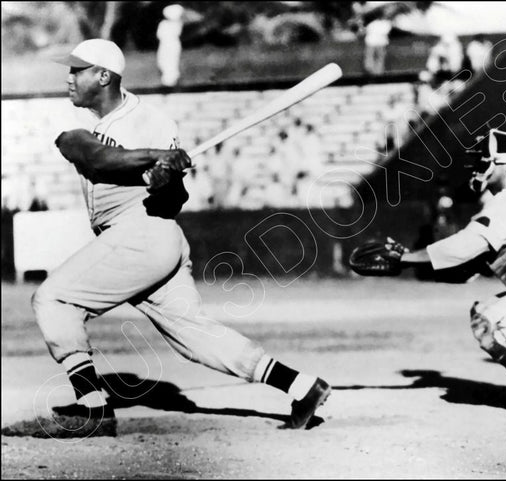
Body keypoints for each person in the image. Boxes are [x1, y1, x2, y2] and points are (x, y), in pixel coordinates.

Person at [2, 39, 330, 438]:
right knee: (193, 335)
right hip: (145, 241)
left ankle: (93, 409)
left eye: (77, 70)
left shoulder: (149, 119)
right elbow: (94, 157)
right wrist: (153, 158)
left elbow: (173, 197)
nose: (69, 78)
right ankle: (300, 386)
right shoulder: (86, 133)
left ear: (103, 76)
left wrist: (166, 179)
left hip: (142, 233)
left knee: (53, 299)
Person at [350, 129, 506, 417]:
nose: (479, 166)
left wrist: (404, 258)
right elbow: (466, 268)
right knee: (485, 312)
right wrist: (408, 265)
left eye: (486, 159)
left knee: (491, 323)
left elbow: (462, 248)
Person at [156, 4, 184, 87]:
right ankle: (168, 80)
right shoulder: (165, 23)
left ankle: (171, 81)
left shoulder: (175, 24)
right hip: (165, 45)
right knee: (163, 61)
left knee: (171, 62)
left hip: (171, 45)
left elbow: (160, 35)